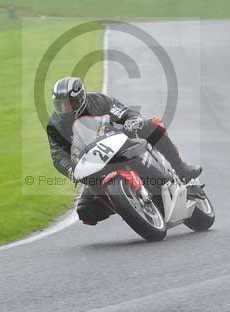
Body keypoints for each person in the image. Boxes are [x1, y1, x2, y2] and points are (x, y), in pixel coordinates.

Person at [47, 76, 202, 225]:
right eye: (60, 104)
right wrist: (70, 169)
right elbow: (58, 155)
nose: (64, 108)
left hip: (117, 141)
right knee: (85, 211)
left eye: (69, 103)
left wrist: (132, 119)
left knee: (152, 126)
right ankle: (127, 202)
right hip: (93, 163)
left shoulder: (96, 101)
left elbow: (120, 110)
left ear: (80, 98)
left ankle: (181, 168)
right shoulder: (55, 125)